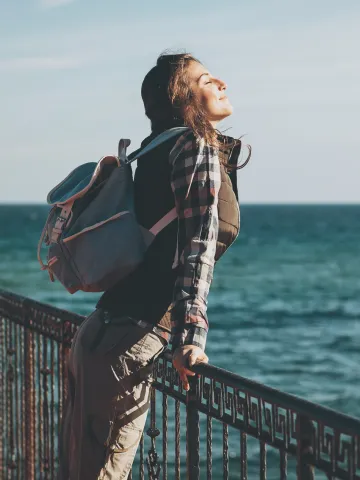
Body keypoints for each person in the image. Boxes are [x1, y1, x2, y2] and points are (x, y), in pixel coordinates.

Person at [58, 52, 250, 479]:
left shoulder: (154, 150)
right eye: (205, 79)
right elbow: (196, 249)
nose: (220, 82)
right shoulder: (193, 146)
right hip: (128, 344)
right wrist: (190, 337)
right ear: (184, 97)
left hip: (99, 335)